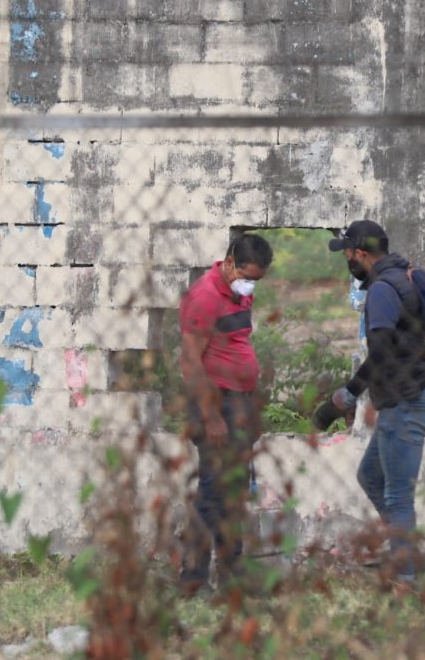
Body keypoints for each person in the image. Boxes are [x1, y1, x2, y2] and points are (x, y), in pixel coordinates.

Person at [317, 220, 425, 583]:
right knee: (370, 475)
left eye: (349, 255)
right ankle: (409, 556)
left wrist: (347, 396)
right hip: (405, 397)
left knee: (398, 495)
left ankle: (407, 580)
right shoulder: (403, 276)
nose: (348, 262)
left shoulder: (384, 291)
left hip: (407, 400)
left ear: (361, 253)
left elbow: (382, 353)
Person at [177, 233, 273, 595]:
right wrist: (212, 416)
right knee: (213, 494)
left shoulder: (238, 293)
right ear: (230, 262)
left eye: (257, 280)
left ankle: (232, 573)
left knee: (234, 492)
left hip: (239, 403)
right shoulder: (204, 297)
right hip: (216, 403)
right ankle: (192, 579)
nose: (251, 285)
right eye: (247, 275)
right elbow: (190, 360)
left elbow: (236, 344)